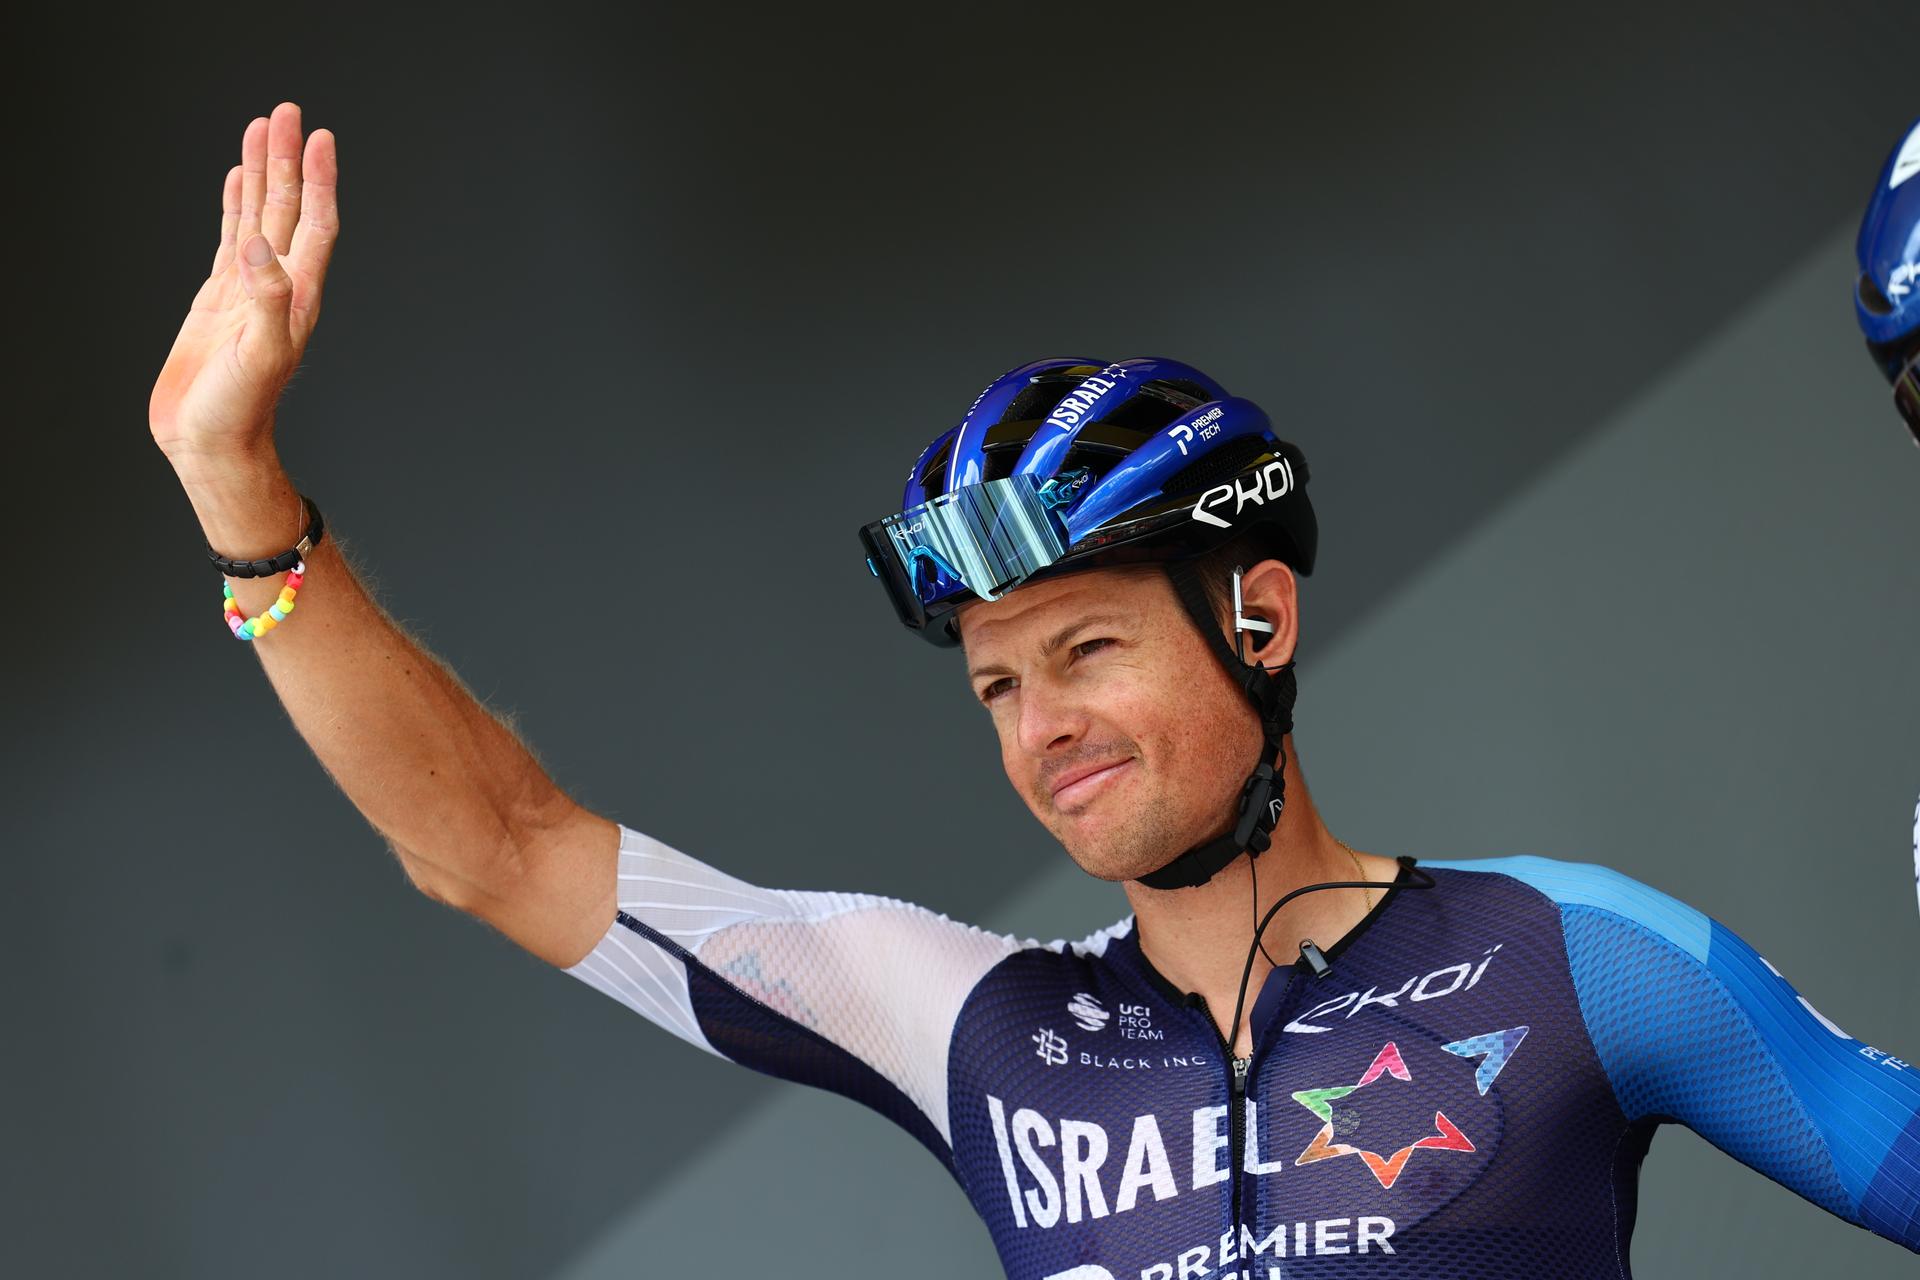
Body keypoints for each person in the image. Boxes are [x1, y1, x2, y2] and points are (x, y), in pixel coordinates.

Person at [154, 103, 1919, 1279]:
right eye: (994, 684)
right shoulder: (966, 1023)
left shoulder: (1579, 956)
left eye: (1086, 650)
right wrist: (241, 497)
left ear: (1261, 616)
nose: (1040, 726)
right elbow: (493, 846)